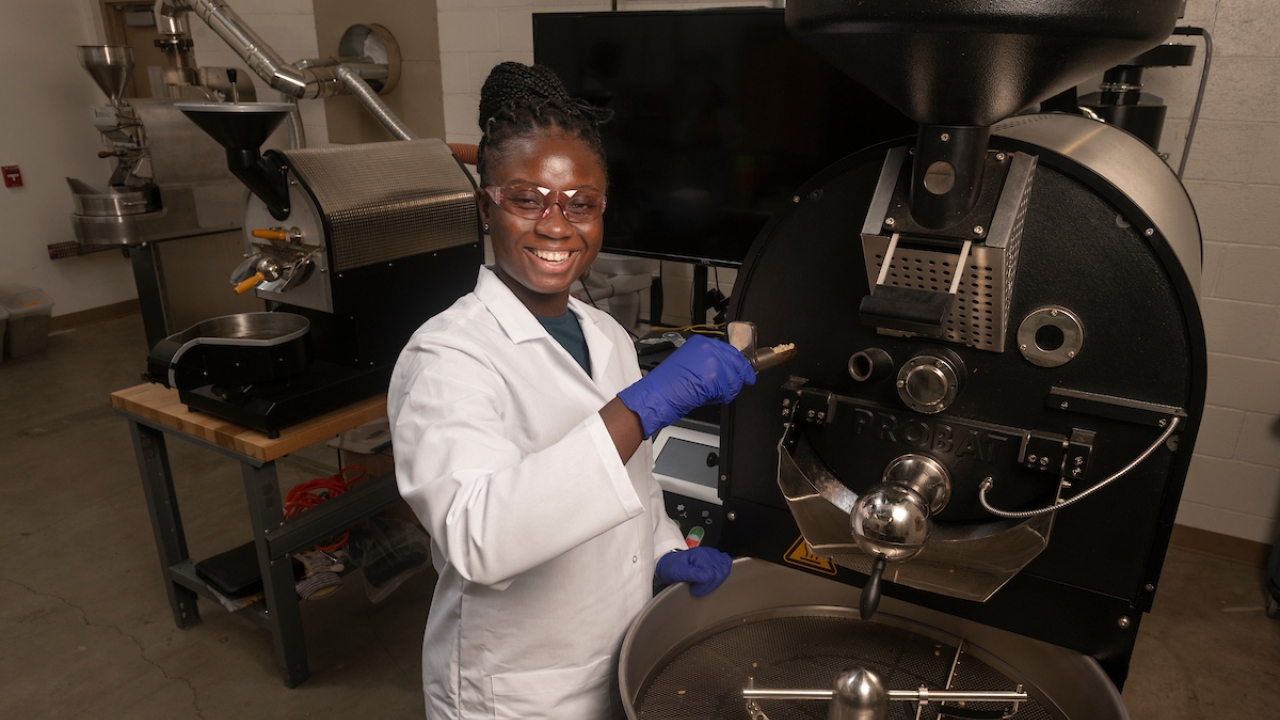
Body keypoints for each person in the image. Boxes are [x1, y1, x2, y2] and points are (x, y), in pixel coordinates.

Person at [387, 62, 756, 720]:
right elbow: (481, 538)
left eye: (581, 204)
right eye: (527, 199)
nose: (558, 226)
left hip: (618, 652)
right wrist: (639, 409)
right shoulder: (447, 357)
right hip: (516, 690)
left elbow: (635, 490)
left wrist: (666, 554)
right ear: (485, 205)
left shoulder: (607, 334)